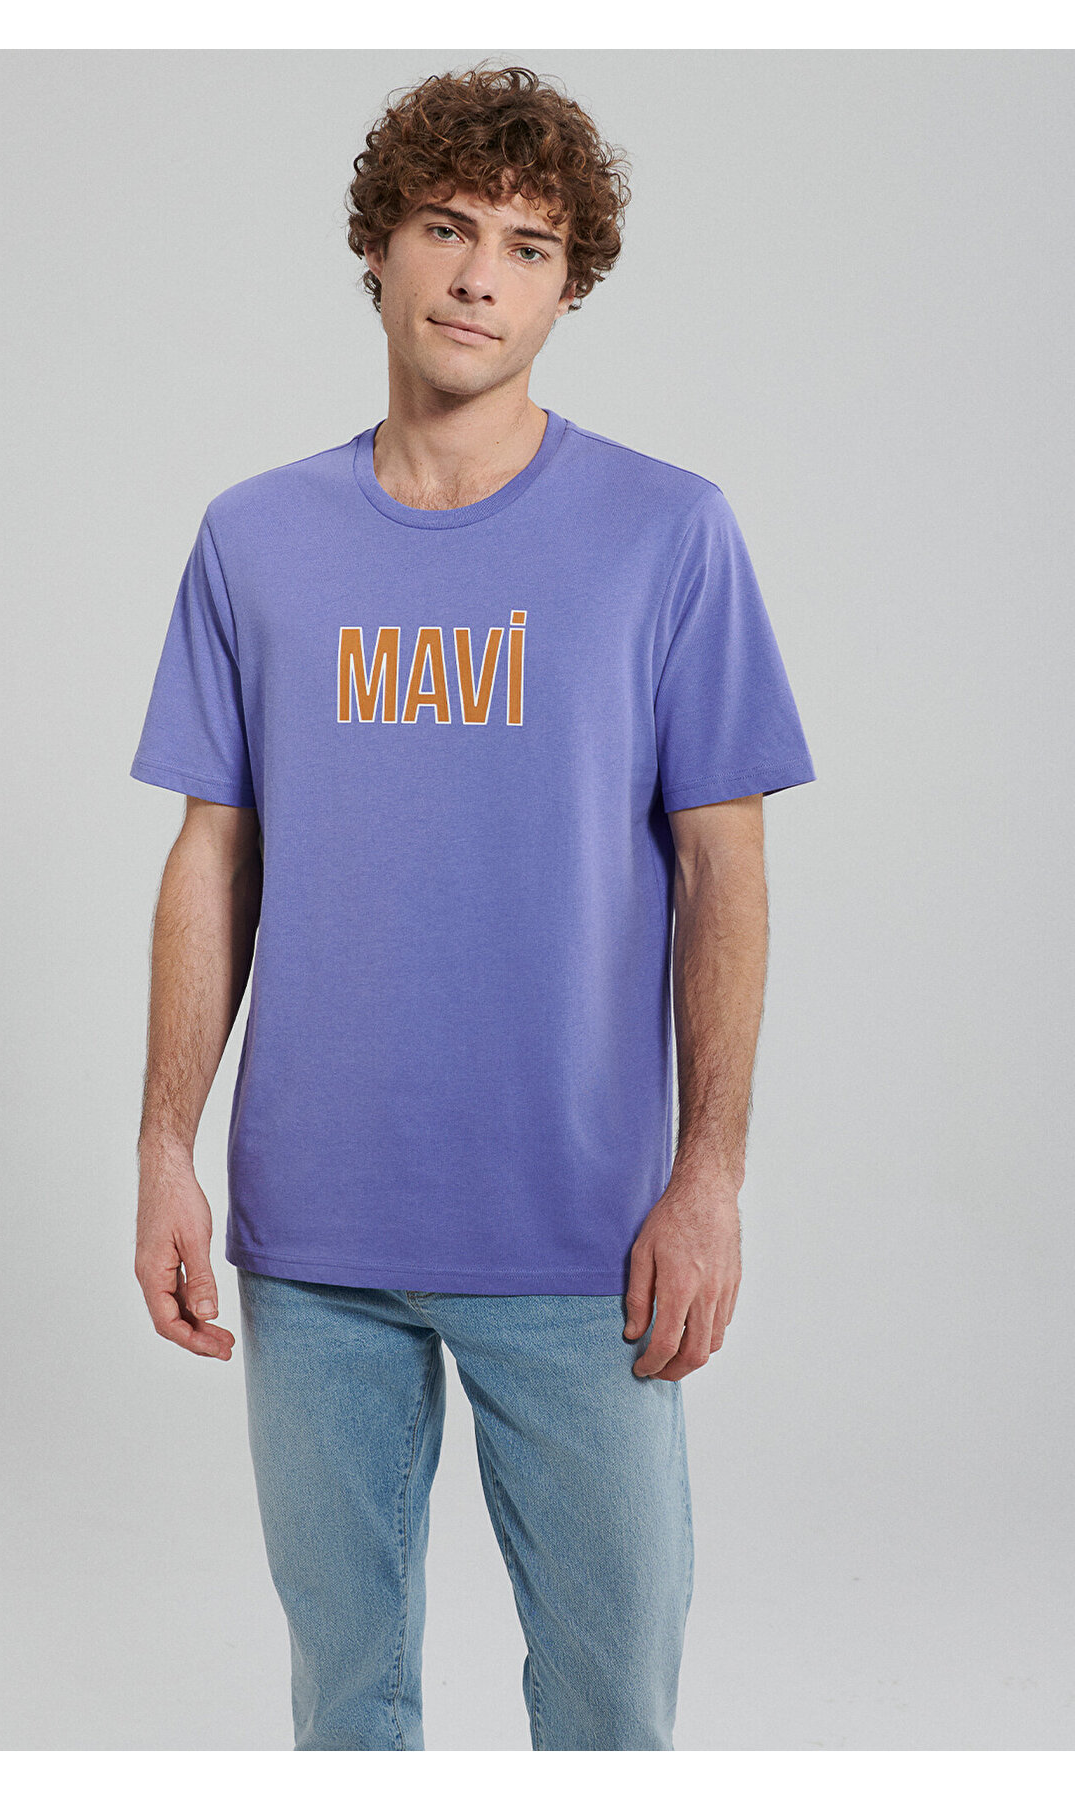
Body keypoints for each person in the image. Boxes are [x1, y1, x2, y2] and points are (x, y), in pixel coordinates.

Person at [128, 63, 816, 1752]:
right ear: (378, 247)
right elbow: (215, 853)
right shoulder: (253, 538)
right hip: (316, 1234)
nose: (479, 276)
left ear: (569, 288)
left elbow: (723, 864)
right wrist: (163, 1143)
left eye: (529, 245)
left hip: (581, 1234)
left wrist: (710, 1177)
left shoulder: (668, 534)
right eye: (447, 228)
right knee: (345, 1706)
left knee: (610, 1707)